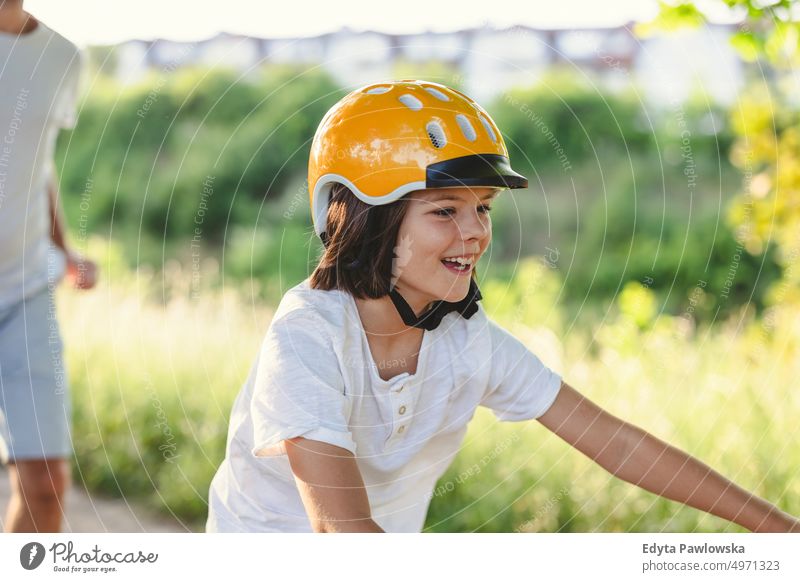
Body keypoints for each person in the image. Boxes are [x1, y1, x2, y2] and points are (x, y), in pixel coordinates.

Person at [206, 79, 799, 533]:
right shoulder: (307, 337)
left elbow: (617, 445)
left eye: (483, 207)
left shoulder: (466, 340)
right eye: (444, 210)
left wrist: (782, 532)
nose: (474, 233)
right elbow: (341, 531)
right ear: (366, 221)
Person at [0, 0, 97, 533]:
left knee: (46, 486)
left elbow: (38, 162)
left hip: (25, 290)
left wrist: (65, 249)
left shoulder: (62, 57)